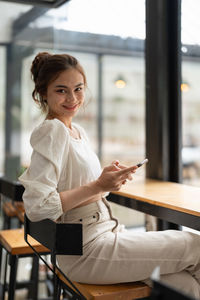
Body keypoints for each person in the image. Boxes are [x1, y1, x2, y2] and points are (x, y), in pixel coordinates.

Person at [19, 52, 200, 299]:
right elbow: (37, 206)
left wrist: (107, 182)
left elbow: (79, 189)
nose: (72, 98)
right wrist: (97, 186)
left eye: (78, 89)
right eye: (61, 90)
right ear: (44, 94)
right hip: (86, 249)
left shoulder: (77, 132)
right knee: (195, 245)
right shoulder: (53, 131)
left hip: (103, 235)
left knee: (186, 285)